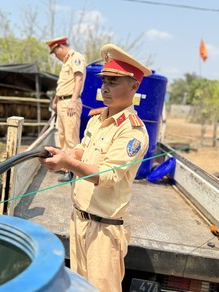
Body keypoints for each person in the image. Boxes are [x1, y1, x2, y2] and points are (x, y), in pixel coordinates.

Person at [40, 44, 151, 291]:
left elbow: (108, 176)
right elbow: (83, 149)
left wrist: (69, 163)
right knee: (79, 287)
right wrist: (66, 155)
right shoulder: (99, 119)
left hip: (104, 230)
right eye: (104, 81)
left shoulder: (132, 130)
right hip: (79, 219)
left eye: (113, 81)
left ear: (134, 86)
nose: (105, 87)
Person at [45, 36, 86, 182]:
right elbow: (62, 85)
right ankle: (64, 166)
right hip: (63, 101)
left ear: (60, 47)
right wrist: (56, 101)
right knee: (62, 136)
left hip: (70, 101)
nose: (55, 56)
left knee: (71, 138)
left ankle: (72, 171)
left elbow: (78, 79)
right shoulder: (66, 62)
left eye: (55, 52)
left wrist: (73, 101)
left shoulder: (76, 58)